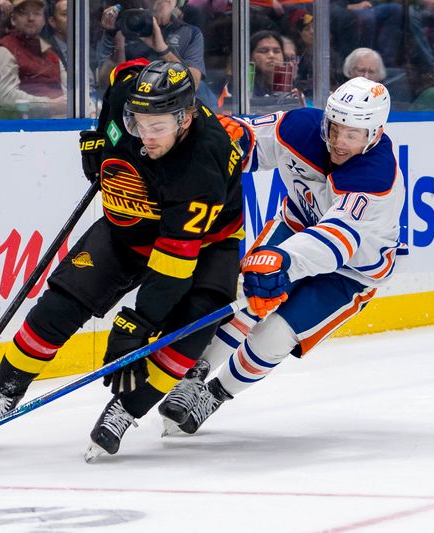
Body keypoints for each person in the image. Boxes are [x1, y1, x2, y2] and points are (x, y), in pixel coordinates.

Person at [0, 59, 245, 460]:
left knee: (186, 334)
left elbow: (173, 268)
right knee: (57, 307)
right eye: (137, 123)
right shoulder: (128, 92)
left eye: (158, 127)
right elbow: (120, 75)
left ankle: (125, 411)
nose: (145, 137)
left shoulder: (202, 165)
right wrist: (99, 138)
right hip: (127, 227)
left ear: (186, 118)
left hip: (205, 247)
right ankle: (4, 393)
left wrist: (138, 323)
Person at [157, 77, 406, 436]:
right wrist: (225, 139)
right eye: (334, 128)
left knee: (274, 333)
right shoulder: (303, 127)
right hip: (297, 226)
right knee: (247, 295)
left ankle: (215, 394)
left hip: (352, 269)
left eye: (352, 135)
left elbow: (336, 241)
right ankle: (195, 372)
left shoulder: (376, 177)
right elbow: (251, 141)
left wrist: (284, 261)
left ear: (375, 134)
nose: (338, 141)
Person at [95, 0, 207, 96]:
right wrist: (118, 43)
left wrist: (163, 50)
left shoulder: (190, 33)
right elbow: (106, 83)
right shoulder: (123, 27)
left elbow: (193, 84)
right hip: (129, 105)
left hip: (171, 106)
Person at [0, 0, 67, 117]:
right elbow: (7, 98)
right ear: (13, 19)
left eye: (37, 13)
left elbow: (70, 93)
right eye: (24, 13)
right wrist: (50, 105)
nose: (31, 18)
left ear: (44, 20)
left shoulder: (51, 55)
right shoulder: (2, 50)